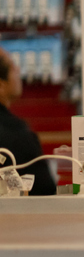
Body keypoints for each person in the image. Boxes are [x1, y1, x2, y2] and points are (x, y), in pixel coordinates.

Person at [0, 47, 55, 195]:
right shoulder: (17, 134)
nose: (18, 70)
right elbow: (46, 192)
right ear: (1, 85)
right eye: (12, 67)